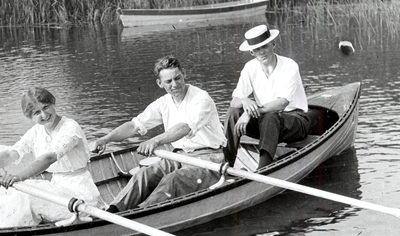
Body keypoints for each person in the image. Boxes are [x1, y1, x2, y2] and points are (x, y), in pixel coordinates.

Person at [92, 55, 226, 213]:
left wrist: (155, 141)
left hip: (208, 158)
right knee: (144, 174)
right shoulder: (163, 103)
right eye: (168, 82)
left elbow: (184, 128)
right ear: (160, 83)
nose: (174, 85)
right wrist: (105, 139)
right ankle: (112, 212)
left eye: (177, 78)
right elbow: (134, 125)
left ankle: (141, 214)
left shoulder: (201, 98)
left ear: (184, 74)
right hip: (178, 156)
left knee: (172, 180)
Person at [0, 87, 102, 228]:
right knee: (10, 190)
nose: (44, 115)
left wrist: (18, 177)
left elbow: (48, 158)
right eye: (36, 113)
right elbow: (11, 154)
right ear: (30, 117)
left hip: (81, 197)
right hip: (58, 187)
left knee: (25, 193)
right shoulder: (36, 132)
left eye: (46, 107)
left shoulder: (70, 128)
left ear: (53, 103)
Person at [223, 24, 310, 170]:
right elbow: (234, 102)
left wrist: (249, 112)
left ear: (273, 44)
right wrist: (244, 100)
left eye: (265, 47)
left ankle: (263, 169)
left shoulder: (289, 65)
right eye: (257, 49)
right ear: (252, 52)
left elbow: (282, 103)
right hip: (266, 124)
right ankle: (226, 165)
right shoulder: (250, 68)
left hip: (295, 121)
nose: (261, 52)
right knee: (233, 113)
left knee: (270, 116)